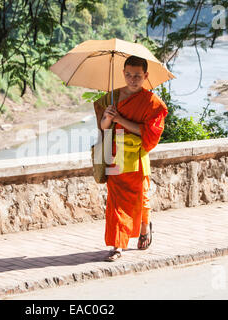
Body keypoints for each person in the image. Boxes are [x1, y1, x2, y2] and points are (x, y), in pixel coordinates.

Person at [93, 55, 168, 262]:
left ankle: (145, 225)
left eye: (137, 76)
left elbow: (149, 134)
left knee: (140, 197)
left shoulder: (153, 103)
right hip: (115, 154)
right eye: (128, 75)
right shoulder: (112, 97)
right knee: (116, 202)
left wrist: (120, 119)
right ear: (123, 74)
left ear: (145, 76)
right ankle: (118, 246)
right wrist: (108, 117)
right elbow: (103, 128)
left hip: (136, 155)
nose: (132, 79)